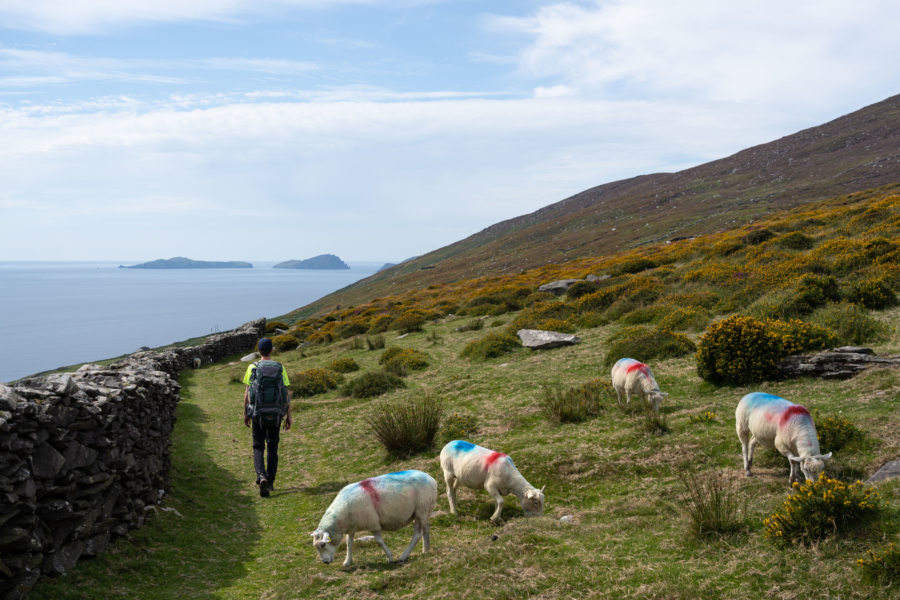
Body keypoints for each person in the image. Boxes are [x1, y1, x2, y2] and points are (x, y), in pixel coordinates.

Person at [243, 337, 292, 497]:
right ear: (271, 350)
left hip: (258, 414)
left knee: (258, 446)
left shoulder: (252, 367)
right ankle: (270, 481)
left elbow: (247, 392)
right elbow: (285, 393)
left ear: (258, 351)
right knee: (272, 447)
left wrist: (245, 412)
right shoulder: (279, 367)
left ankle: (261, 476)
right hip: (276, 413)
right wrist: (288, 415)